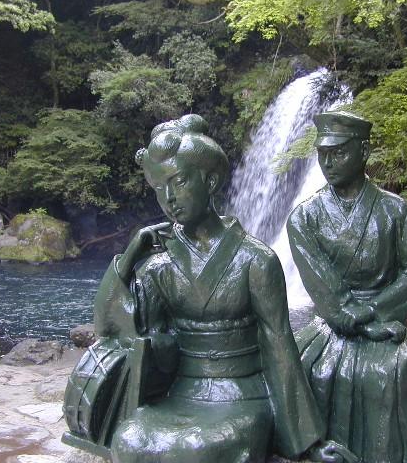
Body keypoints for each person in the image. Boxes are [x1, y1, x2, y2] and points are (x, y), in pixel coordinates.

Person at [65, 114, 323, 463]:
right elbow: (111, 328)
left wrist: (303, 439)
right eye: (159, 188)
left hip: (241, 394)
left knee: (197, 449)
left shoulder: (256, 260)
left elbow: (280, 346)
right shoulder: (159, 265)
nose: (169, 198)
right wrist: (128, 258)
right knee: (129, 439)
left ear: (210, 180)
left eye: (179, 181)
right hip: (182, 391)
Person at [288, 110, 407, 463]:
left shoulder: (395, 210)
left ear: (363, 151)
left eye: (338, 153)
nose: (328, 163)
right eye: (323, 154)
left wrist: (373, 311)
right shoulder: (304, 217)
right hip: (333, 321)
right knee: (310, 369)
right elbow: (321, 285)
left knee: (383, 373)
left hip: (383, 313)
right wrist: (355, 320)